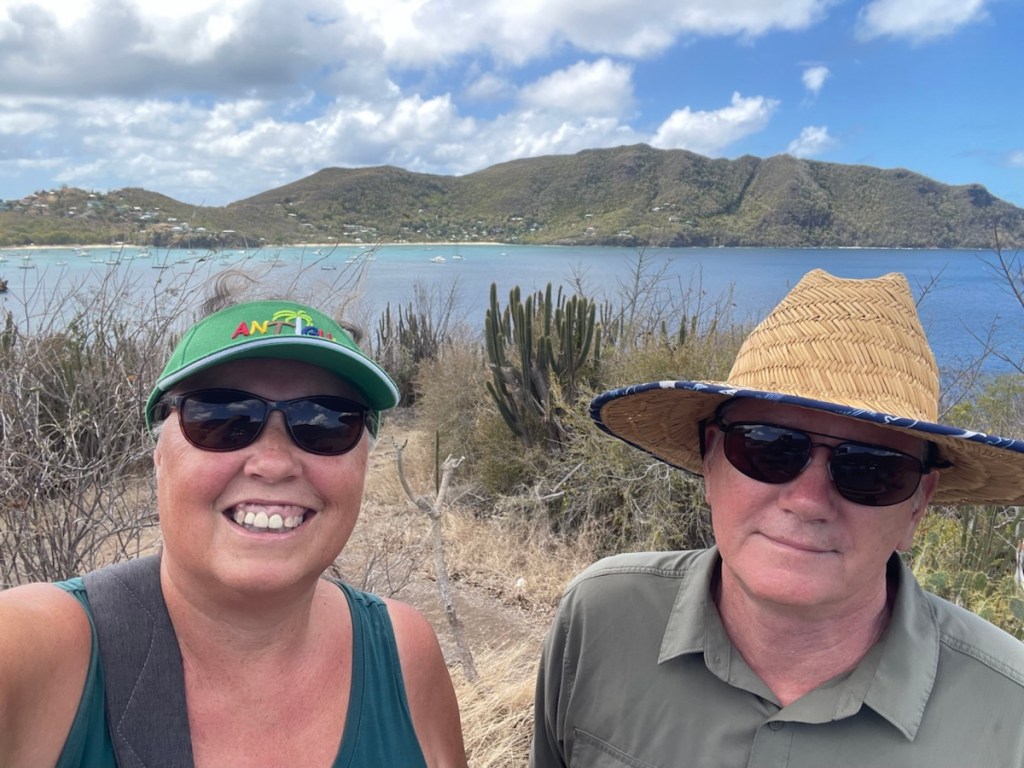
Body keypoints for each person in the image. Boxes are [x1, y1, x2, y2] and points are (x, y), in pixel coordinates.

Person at [531, 269, 1024, 767]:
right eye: (768, 448)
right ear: (710, 460)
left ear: (918, 504)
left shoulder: (1011, 718)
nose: (808, 501)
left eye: (870, 470)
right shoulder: (600, 622)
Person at [0, 290, 468, 767]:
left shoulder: (404, 654)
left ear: (363, 463)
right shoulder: (34, 653)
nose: (273, 463)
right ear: (158, 456)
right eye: (222, 417)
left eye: (328, 423)